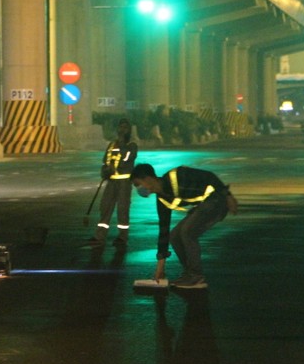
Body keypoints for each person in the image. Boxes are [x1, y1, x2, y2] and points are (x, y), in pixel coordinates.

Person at [130, 163, 238, 289]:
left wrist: (229, 197)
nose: (139, 189)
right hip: (204, 206)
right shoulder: (162, 199)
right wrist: (160, 268)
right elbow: (163, 230)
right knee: (175, 235)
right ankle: (189, 274)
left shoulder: (178, 175)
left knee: (187, 232)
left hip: (217, 201)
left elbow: (209, 176)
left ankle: (196, 277)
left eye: (138, 184)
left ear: (147, 179)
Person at [87, 118, 138, 249]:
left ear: (129, 130)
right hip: (111, 182)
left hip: (124, 183)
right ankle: (100, 236)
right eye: (120, 127)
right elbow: (106, 160)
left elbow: (126, 158)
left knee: (122, 209)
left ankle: (122, 237)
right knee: (105, 207)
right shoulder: (111, 145)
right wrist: (105, 171)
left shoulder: (132, 145)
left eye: (125, 128)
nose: (122, 130)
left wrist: (121, 144)